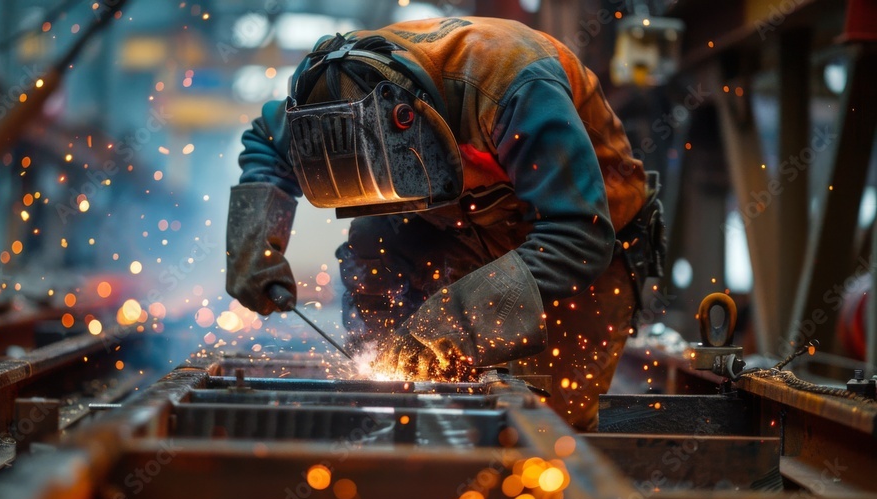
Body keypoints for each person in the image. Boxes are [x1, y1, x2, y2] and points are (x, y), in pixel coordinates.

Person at [225, 16, 664, 430]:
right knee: (379, 287)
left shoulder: (514, 86)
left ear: (414, 121)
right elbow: (266, 141)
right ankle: (396, 425)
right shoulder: (328, 102)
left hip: (576, 240)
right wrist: (253, 245)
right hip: (453, 221)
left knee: (548, 415)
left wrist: (452, 323)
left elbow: (577, 237)